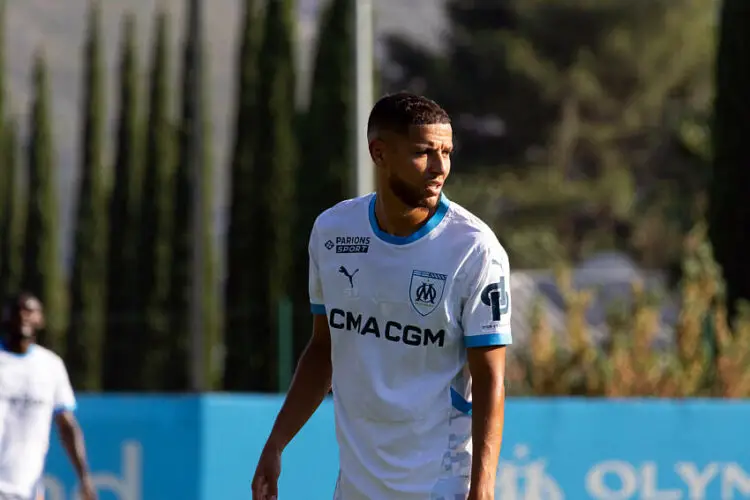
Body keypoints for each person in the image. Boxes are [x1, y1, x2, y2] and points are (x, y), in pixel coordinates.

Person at [252, 92, 511, 500]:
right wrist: (276, 442)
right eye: (424, 152)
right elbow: (324, 350)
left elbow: (490, 377)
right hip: (357, 486)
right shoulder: (333, 231)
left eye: (447, 152)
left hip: (440, 486)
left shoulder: (474, 249)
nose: (440, 167)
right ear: (379, 153)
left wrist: (483, 488)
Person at [0, 293, 97, 500]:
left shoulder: (50, 366)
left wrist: (84, 476)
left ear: (40, 319)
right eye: (18, 310)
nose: (24, 316)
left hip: (27, 488)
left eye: (30, 311)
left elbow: (66, 424)